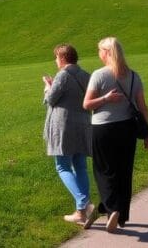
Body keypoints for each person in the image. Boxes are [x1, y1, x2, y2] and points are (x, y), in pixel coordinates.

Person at [83, 37, 148, 232]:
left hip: (103, 128)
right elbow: (143, 107)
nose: (99, 54)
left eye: (100, 51)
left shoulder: (99, 75)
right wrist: (147, 133)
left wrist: (105, 99)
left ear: (106, 53)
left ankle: (112, 208)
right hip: (127, 128)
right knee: (124, 171)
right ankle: (118, 213)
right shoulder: (133, 76)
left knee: (104, 170)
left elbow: (86, 104)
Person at [42, 44, 93, 224]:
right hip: (83, 123)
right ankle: (82, 213)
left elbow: (51, 99)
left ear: (63, 58)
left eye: (56, 57)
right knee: (80, 166)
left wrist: (47, 87)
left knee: (62, 167)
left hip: (64, 125)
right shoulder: (86, 75)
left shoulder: (62, 75)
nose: (56, 61)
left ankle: (84, 203)